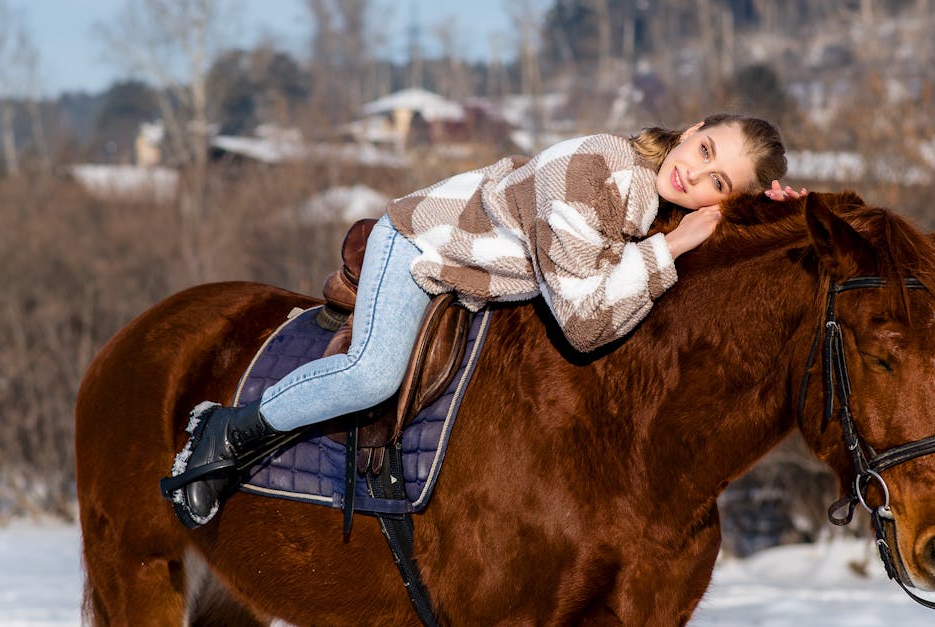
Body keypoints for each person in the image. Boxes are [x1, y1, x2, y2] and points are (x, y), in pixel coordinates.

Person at [168, 112, 806, 527]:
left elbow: (680, 256)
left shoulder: (653, 190)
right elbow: (585, 324)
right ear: (694, 126)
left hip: (484, 276)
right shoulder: (592, 171)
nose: (693, 172)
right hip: (426, 248)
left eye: (717, 182)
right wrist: (671, 249)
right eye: (704, 148)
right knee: (372, 375)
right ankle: (230, 432)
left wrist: (778, 218)